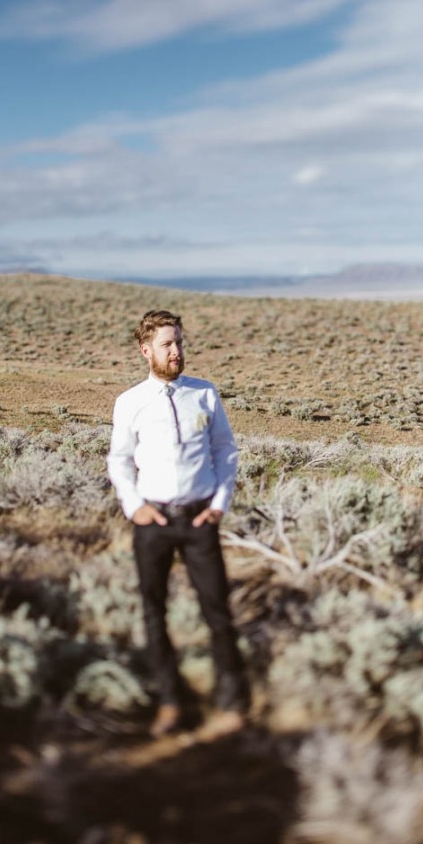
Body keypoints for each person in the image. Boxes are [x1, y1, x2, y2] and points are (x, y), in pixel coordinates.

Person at [107, 309, 250, 737]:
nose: (177, 351)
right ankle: (170, 702)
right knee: (155, 612)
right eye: (168, 344)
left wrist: (220, 503)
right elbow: (118, 459)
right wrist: (133, 506)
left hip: (199, 518)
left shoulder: (204, 394)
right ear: (146, 350)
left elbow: (225, 450)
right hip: (153, 520)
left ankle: (232, 704)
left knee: (217, 610)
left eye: (180, 342)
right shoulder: (130, 402)